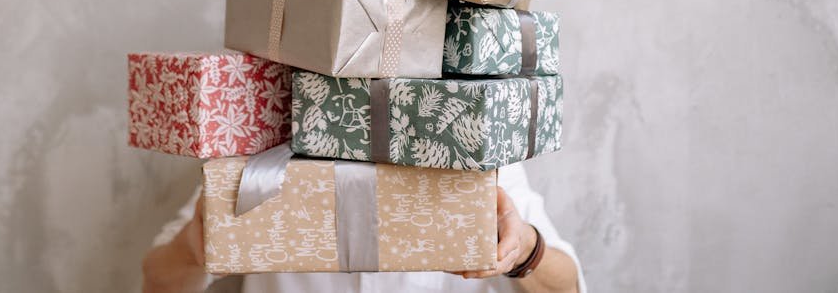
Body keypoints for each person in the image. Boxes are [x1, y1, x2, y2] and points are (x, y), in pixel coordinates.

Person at [142, 162, 585, 292]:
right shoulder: (261, 152)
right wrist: (200, 245)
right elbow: (158, 282)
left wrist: (524, 248)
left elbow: (570, 288)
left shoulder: (474, 150)